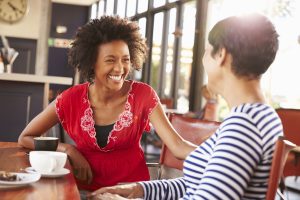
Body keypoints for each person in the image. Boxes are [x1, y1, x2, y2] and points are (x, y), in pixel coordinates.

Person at [89, 13, 283, 199]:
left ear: (221, 54)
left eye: (206, 51)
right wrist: (139, 190)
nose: (203, 60)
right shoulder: (257, 117)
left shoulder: (244, 125)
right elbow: (196, 184)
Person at [18, 15, 196, 191]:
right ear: (92, 63)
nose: (119, 68)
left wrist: (220, 153)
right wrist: (68, 150)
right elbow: (25, 137)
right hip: (82, 192)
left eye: (125, 60)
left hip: (131, 193)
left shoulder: (144, 95)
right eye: (110, 60)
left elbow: (178, 146)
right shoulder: (70, 99)